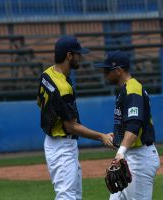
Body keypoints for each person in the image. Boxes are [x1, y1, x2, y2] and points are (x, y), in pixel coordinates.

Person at [37, 35, 114, 200]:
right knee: (67, 196)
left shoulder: (47, 74)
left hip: (55, 142)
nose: (81, 57)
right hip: (62, 146)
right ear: (69, 56)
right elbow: (71, 126)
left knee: (74, 195)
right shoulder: (63, 87)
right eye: (78, 54)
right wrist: (102, 136)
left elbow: (40, 103)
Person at [95, 50, 160, 200]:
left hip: (139, 159)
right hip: (131, 156)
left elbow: (134, 126)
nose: (104, 73)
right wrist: (117, 137)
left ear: (118, 71)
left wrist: (120, 153)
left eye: (107, 70)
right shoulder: (125, 90)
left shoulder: (132, 89)